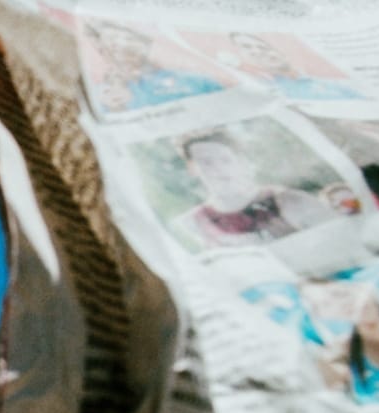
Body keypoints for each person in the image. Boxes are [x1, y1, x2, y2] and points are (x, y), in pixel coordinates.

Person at [170, 128, 338, 248]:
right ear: (192, 168)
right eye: (206, 162)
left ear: (241, 162)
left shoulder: (290, 201)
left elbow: (343, 242)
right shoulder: (192, 224)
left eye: (225, 160)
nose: (217, 169)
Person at [85, 20, 223, 113]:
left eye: (127, 40)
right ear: (102, 51)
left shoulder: (195, 80)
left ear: (146, 45)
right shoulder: (101, 95)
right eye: (112, 44)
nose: (120, 49)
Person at [228, 32, 362, 102]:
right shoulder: (263, 86)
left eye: (263, 47)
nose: (258, 52)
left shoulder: (333, 83)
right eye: (247, 48)